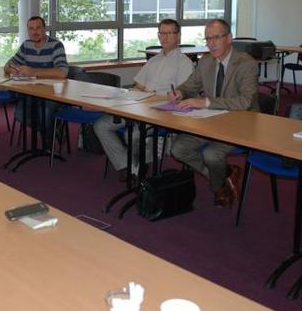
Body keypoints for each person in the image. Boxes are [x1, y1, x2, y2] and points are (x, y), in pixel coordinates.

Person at [168, 19, 259, 208]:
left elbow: (245, 101)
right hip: (209, 120)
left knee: (211, 155)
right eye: (207, 39)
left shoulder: (246, 63)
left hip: (240, 122)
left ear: (229, 38)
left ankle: (217, 187)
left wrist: (206, 102)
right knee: (178, 149)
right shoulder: (206, 61)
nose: (211, 44)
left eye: (216, 38)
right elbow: (191, 84)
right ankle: (223, 174)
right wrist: (180, 92)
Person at [93, 19, 193, 180]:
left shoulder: (185, 63)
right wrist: (122, 95)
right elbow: (138, 85)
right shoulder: (153, 60)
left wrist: (156, 96)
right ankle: (127, 165)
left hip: (161, 112)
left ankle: (138, 166)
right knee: (101, 125)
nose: (165, 37)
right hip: (138, 106)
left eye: (169, 33)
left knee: (133, 135)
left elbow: (182, 94)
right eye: (162, 33)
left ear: (178, 36)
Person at [4, 16, 68, 146]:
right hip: (31, 93)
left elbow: (62, 72)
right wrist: (14, 69)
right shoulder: (26, 45)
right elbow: (7, 66)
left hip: (52, 94)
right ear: (28, 31)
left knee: (45, 112)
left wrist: (33, 71)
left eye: (38, 28)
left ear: (44, 29)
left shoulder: (56, 45)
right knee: (20, 115)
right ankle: (50, 130)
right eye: (31, 29)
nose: (35, 32)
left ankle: (48, 141)